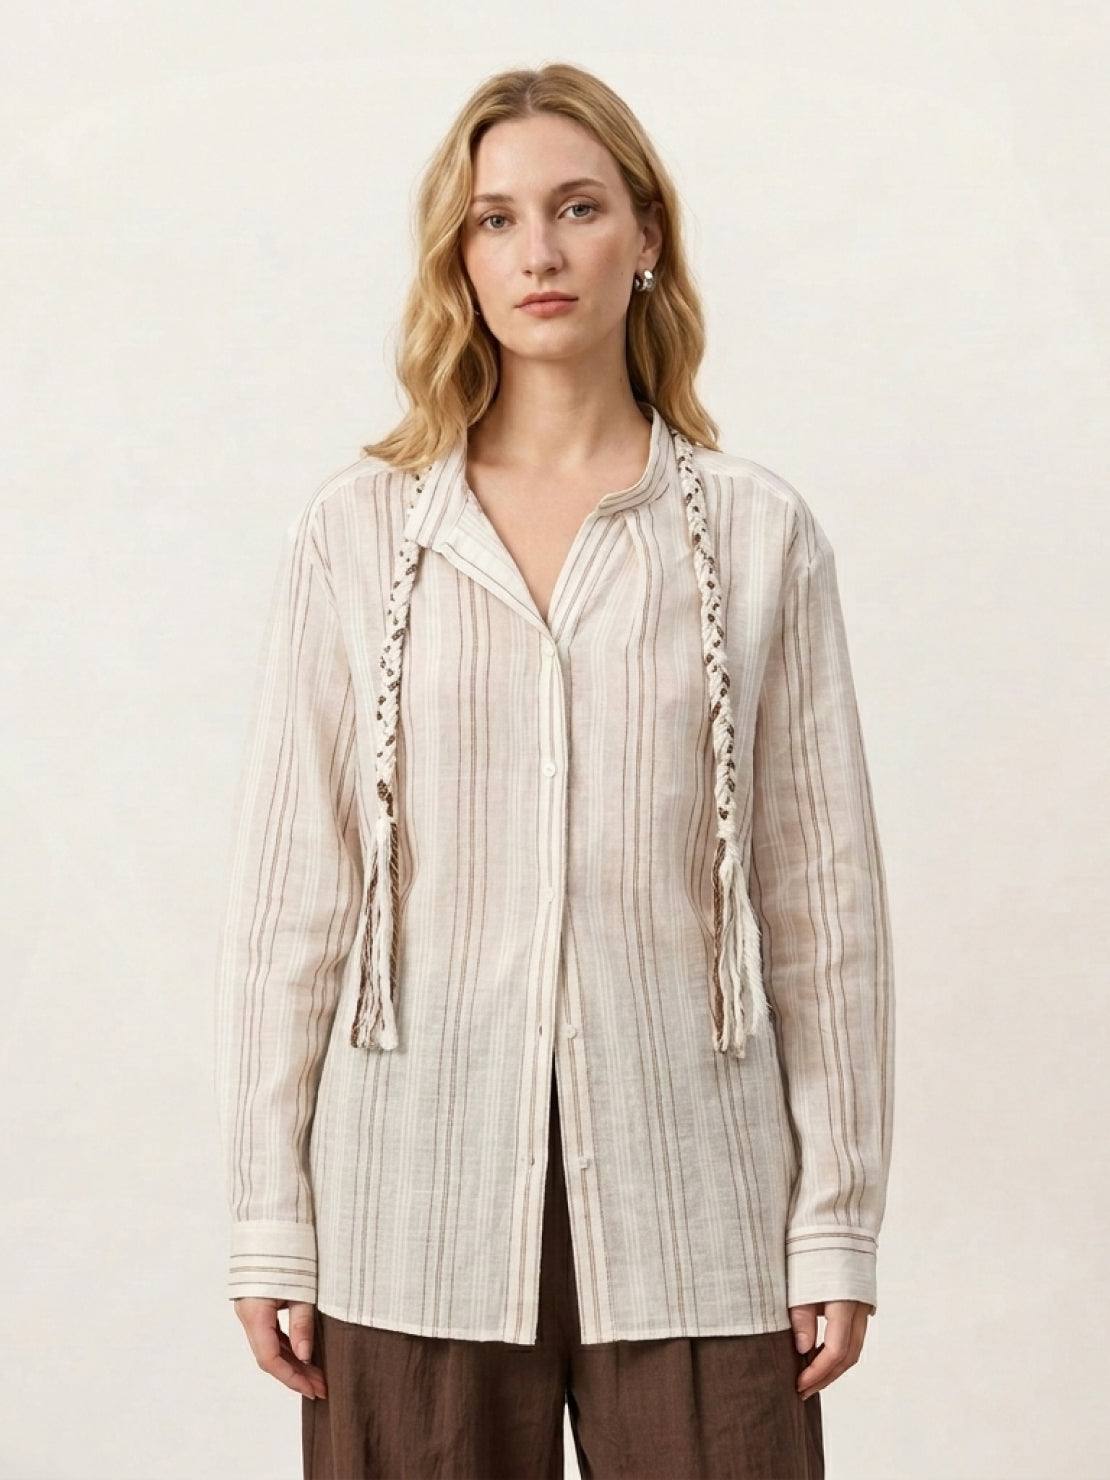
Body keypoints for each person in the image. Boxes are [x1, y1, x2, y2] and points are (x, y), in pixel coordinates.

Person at [214, 60, 894, 1480]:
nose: (538, 251)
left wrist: (835, 1213)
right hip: (411, 1211)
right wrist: (269, 1212)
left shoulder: (755, 536)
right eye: (496, 219)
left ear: (645, 233)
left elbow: (822, 910)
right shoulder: (359, 534)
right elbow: (295, 906)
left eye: (577, 208)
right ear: (457, 258)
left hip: (697, 1212)